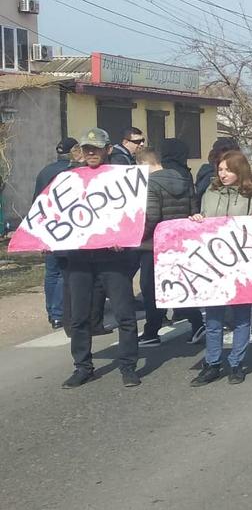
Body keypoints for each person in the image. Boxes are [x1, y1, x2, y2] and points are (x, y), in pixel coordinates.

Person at [60, 128, 142, 390]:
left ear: (108, 150)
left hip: (113, 258)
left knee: (124, 315)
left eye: (96, 148)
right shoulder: (69, 179)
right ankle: (83, 367)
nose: (91, 152)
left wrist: (126, 236)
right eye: (87, 148)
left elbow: (134, 214)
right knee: (79, 318)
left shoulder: (123, 179)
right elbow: (57, 214)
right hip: (79, 259)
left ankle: (128, 366)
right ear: (81, 152)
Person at [186, 150, 252, 386]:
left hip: (240, 265)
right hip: (213, 265)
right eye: (220, 169)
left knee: (242, 317)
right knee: (213, 318)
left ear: (239, 170)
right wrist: (198, 219)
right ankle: (212, 363)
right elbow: (204, 221)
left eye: (228, 170)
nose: (223, 174)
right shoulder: (210, 193)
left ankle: (236, 362)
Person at [134, 147, 202, 347]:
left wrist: (136, 237)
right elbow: (193, 210)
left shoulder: (150, 184)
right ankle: (196, 323)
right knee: (177, 287)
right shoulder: (184, 179)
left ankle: (152, 332)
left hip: (153, 245)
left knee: (151, 290)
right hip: (179, 243)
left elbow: (152, 217)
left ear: (144, 164)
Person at [34, 137, 78, 329]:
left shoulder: (45, 171)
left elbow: (37, 202)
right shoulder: (73, 172)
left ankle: (52, 312)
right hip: (67, 227)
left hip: (48, 226)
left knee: (51, 272)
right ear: (74, 152)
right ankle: (60, 313)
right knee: (63, 271)